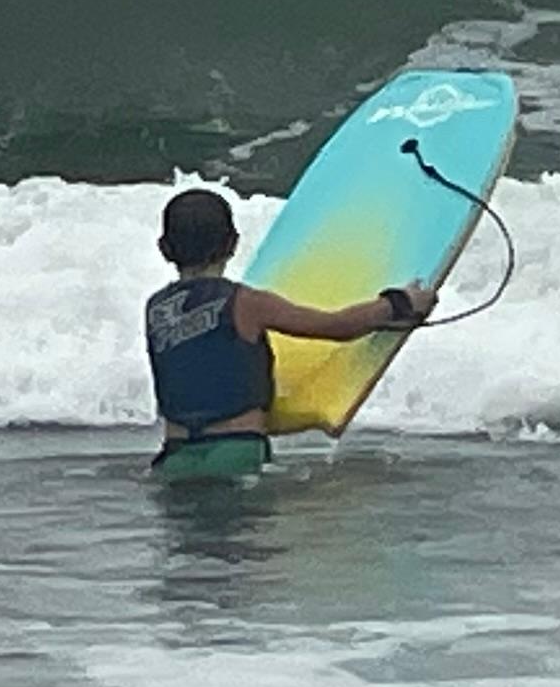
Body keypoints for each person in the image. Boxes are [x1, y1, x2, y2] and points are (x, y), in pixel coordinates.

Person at [145, 187, 436, 480]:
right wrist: (398, 304)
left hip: (175, 458)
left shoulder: (155, 310)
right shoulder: (247, 303)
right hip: (235, 453)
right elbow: (335, 327)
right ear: (232, 243)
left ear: (164, 248)